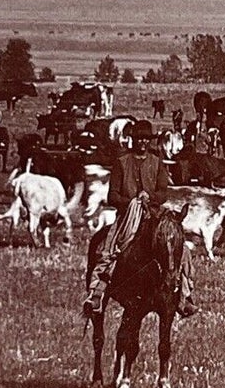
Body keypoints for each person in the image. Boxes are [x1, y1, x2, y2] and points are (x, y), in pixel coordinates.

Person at [84, 132, 196, 318]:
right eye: (139, 138)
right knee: (110, 246)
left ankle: (184, 294)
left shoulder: (156, 162)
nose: (142, 142)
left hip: (153, 214)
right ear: (132, 139)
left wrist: (150, 198)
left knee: (179, 247)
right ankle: (97, 291)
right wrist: (133, 201)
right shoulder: (122, 162)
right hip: (128, 215)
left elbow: (163, 193)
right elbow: (113, 196)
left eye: (146, 139)